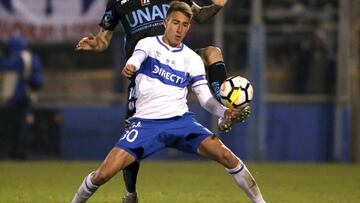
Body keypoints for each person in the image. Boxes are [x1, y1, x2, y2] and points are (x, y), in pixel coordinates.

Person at [70, 2, 265, 203]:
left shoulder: (191, 58)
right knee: (102, 174)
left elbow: (204, 98)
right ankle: (127, 194)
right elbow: (136, 57)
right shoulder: (146, 43)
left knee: (228, 157)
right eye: (175, 23)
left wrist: (224, 112)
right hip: (147, 124)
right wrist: (130, 66)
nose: (179, 29)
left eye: (184, 25)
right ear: (165, 22)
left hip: (181, 122)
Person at [0, 35, 44, 159]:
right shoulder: (32, 57)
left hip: (22, 97)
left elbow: (6, 65)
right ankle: (19, 152)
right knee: (20, 126)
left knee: (20, 127)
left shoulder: (23, 57)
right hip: (24, 97)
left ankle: (19, 153)